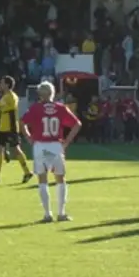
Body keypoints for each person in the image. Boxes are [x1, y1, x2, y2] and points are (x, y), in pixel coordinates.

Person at [21, 81, 82, 223]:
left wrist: (29, 137)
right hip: (55, 145)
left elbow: (22, 122)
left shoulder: (35, 108)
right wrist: (66, 141)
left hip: (40, 146)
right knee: (60, 179)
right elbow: (77, 124)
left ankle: (47, 214)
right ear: (52, 93)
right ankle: (61, 213)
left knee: (43, 180)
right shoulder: (60, 108)